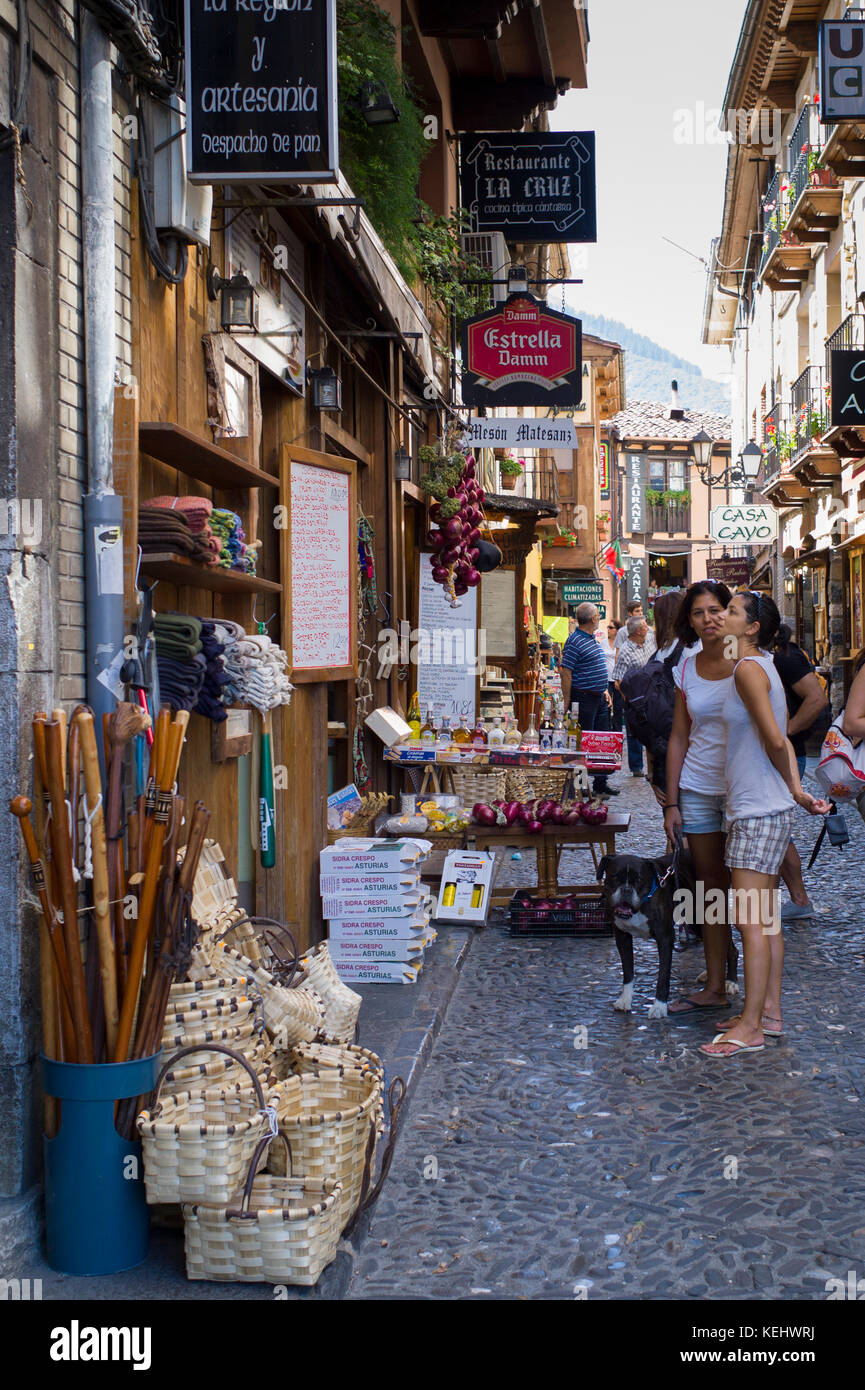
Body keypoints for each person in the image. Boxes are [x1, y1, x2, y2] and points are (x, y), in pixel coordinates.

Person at [700, 591, 829, 1059]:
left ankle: (751, 1027)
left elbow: (777, 739)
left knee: (751, 922)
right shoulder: (758, 665)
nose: (719, 616)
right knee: (766, 921)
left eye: (730, 611)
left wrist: (795, 790)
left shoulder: (750, 671)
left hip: (757, 809)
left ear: (752, 627)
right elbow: (781, 740)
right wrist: (794, 791)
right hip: (764, 805)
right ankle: (767, 1015)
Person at [663, 580, 735, 1013]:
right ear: (688, 621)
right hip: (698, 788)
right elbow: (678, 737)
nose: (708, 619)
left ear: (730, 612)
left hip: (743, 792)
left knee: (749, 890)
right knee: (709, 890)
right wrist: (671, 802)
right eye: (698, 613)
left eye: (715, 609)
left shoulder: (749, 661)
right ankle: (716, 986)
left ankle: (754, 984)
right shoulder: (686, 667)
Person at [771, 625, 829, 921]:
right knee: (775, 830)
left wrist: (787, 731)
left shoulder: (785, 657)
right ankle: (793, 898)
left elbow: (817, 699)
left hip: (787, 755)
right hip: (776, 755)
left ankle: (799, 899)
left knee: (777, 830)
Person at [561, 601, 618, 797]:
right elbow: (566, 672)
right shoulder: (575, 640)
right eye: (598, 616)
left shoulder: (591, 638)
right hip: (583, 698)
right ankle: (580, 786)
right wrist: (566, 700)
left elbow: (594, 667)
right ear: (593, 618)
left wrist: (604, 689)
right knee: (582, 743)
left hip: (599, 697)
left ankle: (600, 782)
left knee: (601, 741)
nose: (600, 619)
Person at [612, 615, 653, 775]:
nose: (647, 628)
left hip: (653, 693)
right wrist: (629, 698)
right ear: (637, 631)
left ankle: (653, 764)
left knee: (653, 729)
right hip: (635, 697)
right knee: (634, 731)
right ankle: (637, 767)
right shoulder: (626, 651)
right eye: (644, 626)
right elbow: (618, 680)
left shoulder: (650, 639)